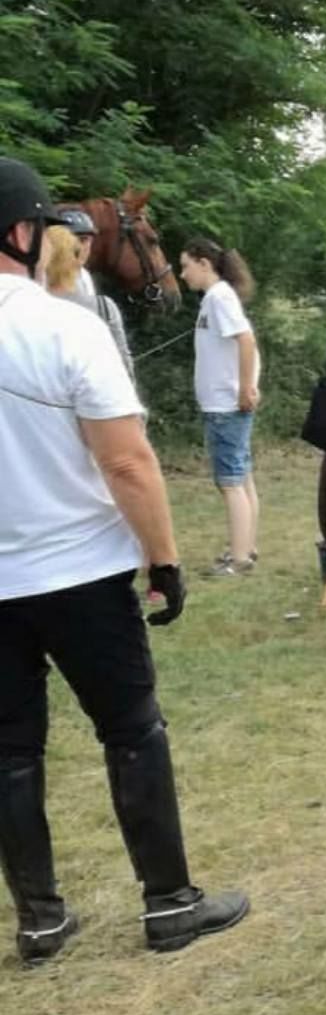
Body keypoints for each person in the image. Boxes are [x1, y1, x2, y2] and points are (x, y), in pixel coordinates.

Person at [0, 156, 248, 964]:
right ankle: (169, 901)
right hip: (78, 570)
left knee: (9, 750)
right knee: (132, 729)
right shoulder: (63, 324)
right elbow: (129, 463)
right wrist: (165, 559)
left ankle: (39, 918)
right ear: (23, 231)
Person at [177, 238, 261, 576]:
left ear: (204, 264)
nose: (182, 275)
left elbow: (246, 340)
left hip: (225, 407)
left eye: (185, 266)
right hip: (224, 404)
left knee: (230, 482)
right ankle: (246, 548)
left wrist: (245, 388)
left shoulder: (219, 297)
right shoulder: (215, 299)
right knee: (242, 479)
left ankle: (239, 560)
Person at [42, 216, 135, 380]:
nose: (82, 246)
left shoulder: (86, 278)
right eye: (78, 239)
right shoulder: (27, 296)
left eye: (87, 240)